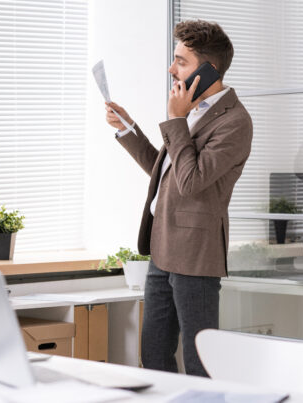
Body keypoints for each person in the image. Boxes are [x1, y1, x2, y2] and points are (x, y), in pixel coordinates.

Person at [104, 20, 253, 376]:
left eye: (180, 61)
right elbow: (166, 171)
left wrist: (176, 119)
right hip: (163, 247)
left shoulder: (235, 122)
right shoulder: (193, 113)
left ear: (208, 69)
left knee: (201, 362)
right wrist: (127, 129)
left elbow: (191, 181)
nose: (171, 69)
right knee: (153, 356)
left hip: (196, 256)